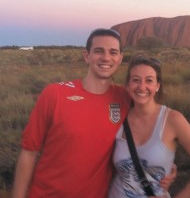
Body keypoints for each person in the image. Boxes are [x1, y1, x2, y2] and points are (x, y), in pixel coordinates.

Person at [12, 29, 175, 198]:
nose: (106, 58)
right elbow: (29, 153)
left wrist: (166, 164)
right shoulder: (54, 94)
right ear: (86, 56)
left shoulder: (127, 98)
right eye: (99, 51)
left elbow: (153, 127)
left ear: (119, 58)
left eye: (113, 52)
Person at [109, 54, 190, 198]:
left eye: (149, 80)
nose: (142, 87)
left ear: (157, 86)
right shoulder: (117, 117)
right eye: (136, 80)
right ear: (127, 86)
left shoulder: (173, 120)